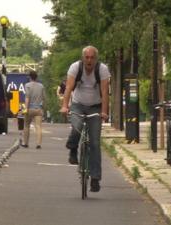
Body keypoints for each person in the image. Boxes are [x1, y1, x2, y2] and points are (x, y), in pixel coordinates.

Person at [59, 46, 111, 192]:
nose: (89, 60)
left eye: (92, 58)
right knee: (77, 127)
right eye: (86, 57)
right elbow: (68, 88)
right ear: (83, 58)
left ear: (96, 58)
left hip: (95, 107)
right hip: (78, 105)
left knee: (94, 142)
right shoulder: (75, 68)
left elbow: (105, 92)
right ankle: (72, 148)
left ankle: (95, 178)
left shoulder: (102, 70)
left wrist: (104, 112)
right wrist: (64, 106)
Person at [21, 70, 45, 149]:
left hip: (30, 108)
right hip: (38, 108)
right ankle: (39, 144)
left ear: (29, 77)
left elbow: (27, 97)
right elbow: (44, 98)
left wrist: (25, 109)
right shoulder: (41, 86)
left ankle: (25, 143)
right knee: (38, 126)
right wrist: (43, 108)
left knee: (26, 125)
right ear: (36, 77)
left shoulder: (27, 85)